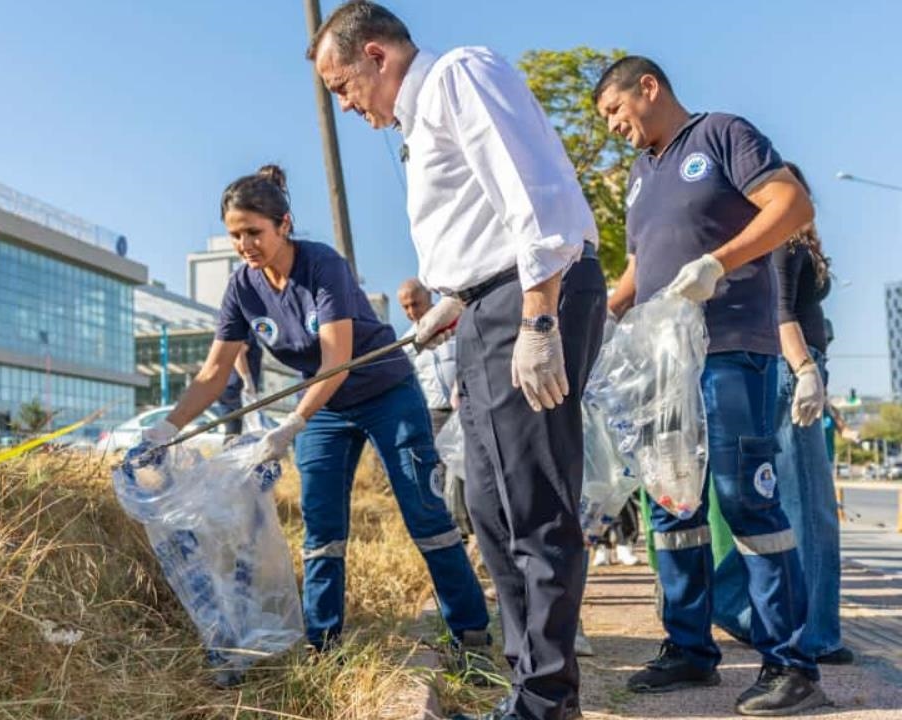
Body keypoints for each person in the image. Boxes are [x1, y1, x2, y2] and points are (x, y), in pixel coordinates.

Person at [309, 4, 606, 718]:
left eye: (343, 86)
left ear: (376, 55)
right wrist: (457, 299)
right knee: (488, 502)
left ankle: (545, 700)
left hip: (529, 297)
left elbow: (531, 193)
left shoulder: (455, 76)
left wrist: (536, 314)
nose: (347, 106)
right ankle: (525, 679)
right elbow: (479, 223)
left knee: (531, 503)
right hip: (485, 306)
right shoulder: (422, 115)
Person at [131, 165, 494, 676]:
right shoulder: (242, 288)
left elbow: (336, 358)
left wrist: (291, 425)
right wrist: (166, 430)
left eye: (254, 232)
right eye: (236, 235)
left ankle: (470, 635)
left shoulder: (324, 265)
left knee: (426, 516)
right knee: (322, 528)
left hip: (383, 392)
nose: (245, 245)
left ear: (284, 224)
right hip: (325, 410)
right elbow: (214, 371)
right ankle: (324, 646)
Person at [595, 56, 827, 714]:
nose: (614, 126)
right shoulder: (641, 175)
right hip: (665, 365)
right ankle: (690, 650)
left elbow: (792, 203)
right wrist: (602, 317)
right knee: (672, 506)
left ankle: (791, 664)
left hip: (732, 350)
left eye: (616, 111)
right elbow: (641, 265)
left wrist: (717, 262)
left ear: (649, 87)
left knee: (744, 499)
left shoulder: (722, 133)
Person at [712, 163, 853, 666]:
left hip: (799, 373)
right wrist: (805, 371)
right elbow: (781, 312)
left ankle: (729, 599)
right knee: (809, 512)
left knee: (792, 507)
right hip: (792, 372)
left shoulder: (793, 241)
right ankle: (814, 635)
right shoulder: (781, 241)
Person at [398, 278, 469, 535]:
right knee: (440, 472)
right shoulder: (406, 343)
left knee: (469, 470)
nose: (410, 311)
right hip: (435, 415)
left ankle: (478, 529)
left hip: (466, 407)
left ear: (428, 296)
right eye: (404, 307)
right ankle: (455, 530)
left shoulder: (455, 321)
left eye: (414, 303)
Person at [217, 336, 263, 437]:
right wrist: (247, 380)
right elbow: (238, 354)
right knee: (253, 428)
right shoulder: (245, 331)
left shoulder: (228, 332)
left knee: (232, 431)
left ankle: (231, 450)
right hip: (239, 388)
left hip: (226, 386)